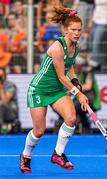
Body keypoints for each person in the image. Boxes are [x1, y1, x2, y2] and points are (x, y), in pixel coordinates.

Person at [20, 6, 88, 174]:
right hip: (39, 89)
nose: (77, 33)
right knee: (39, 131)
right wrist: (78, 94)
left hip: (57, 90)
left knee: (71, 118)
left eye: (79, 30)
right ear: (66, 30)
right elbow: (60, 76)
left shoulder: (75, 46)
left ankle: (58, 154)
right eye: (73, 30)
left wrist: (75, 81)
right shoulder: (57, 47)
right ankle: (26, 156)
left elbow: (69, 67)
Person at [73, 55, 101, 133]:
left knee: (76, 108)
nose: (74, 68)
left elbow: (88, 86)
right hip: (81, 100)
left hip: (92, 100)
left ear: (80, 65)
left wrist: (73, 90)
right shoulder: (76, 75)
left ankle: (85, 127)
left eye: (75, 66)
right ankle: (84, 127)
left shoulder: (87, 72)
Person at [0, 68, 19, 133]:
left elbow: (5, 101)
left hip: (11, 112)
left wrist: (1, 88)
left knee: (1, 104)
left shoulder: (10, 85)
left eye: (0, 77)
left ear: (5, 76)